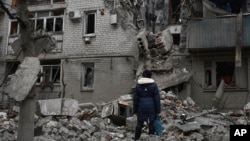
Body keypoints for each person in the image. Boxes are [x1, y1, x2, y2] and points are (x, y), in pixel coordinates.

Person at [133, 69, 161, 140]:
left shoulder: (138, 85)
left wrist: (135, 110)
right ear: (150, 76)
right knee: (151, 123)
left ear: (143, 75)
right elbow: (157, 99)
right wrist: (158, 111)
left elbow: (135, 99)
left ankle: (136, 138)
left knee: (139, 123)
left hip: (141, 107)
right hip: (151, 107)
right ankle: (151, 138)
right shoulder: (154, 85)